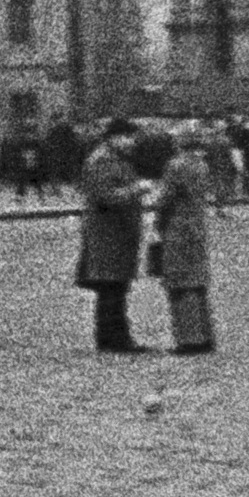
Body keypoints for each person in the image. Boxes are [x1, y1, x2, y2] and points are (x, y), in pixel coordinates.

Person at [75, 119, 150, 354]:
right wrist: (137, 190)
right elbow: (106, 196)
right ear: (114, 137)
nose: (132, 142)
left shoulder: (116, 159)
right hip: (107, 235)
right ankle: (113, 340)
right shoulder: (102, 160)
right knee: (110, 287)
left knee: (117, 287)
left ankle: (115, 338)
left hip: (118, 234)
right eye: (128, 137)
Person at [155, 125, 218, 354]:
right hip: (197, 225)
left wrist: (158, 222)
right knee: (198, 283)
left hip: (178, 226)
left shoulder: (177, 165)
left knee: (181, 284)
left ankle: (189, 339)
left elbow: (166, 198)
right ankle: (205, 335)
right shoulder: (202, 164)